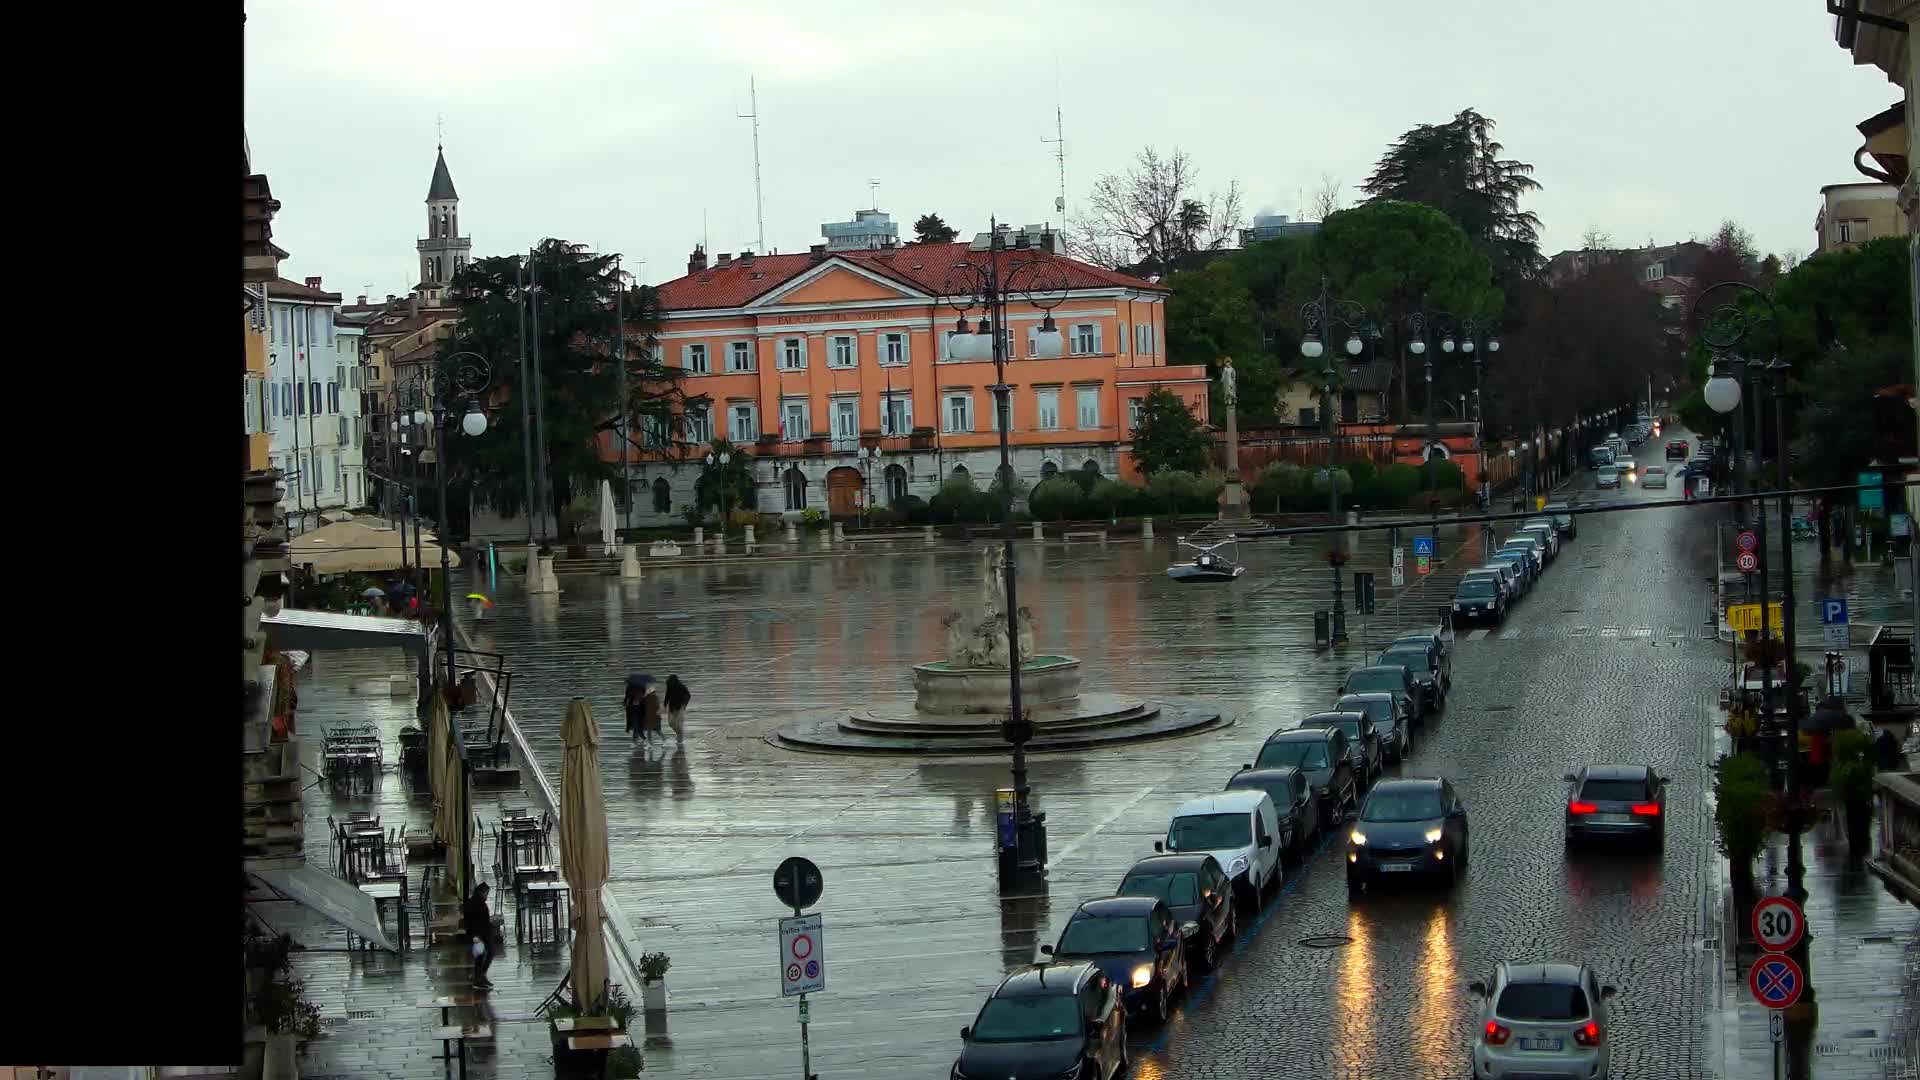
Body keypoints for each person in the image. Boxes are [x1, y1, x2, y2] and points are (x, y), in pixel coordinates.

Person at [465, 883, 497, 990]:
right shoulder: (478, 904)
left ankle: (480, 976)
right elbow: (478, 921)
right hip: (479, 935)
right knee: (482, 956)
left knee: (485, 955)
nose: (487, 896)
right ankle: (478, 978)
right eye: (486, 893)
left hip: (480, 934)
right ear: (482, 892)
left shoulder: (475, 902)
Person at [664, 675, 691, 743]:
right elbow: (667, 695)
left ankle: (680, 737)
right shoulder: (669, 686)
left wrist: (684, 704)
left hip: (680, 707)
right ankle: (679, 733)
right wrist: (665, 704)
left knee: (678, 723)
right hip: (672, 707)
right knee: (671, 723)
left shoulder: (681, 686)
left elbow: (688, 695)